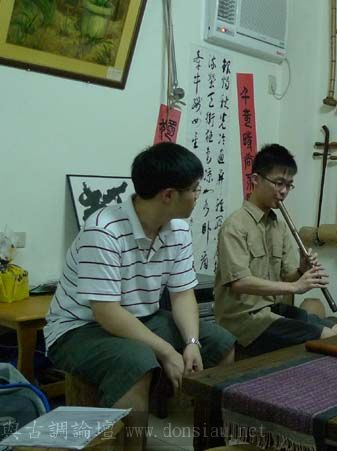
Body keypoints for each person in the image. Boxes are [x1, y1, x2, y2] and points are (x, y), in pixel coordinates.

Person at [45, 142, 236, 450]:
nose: (198, 195)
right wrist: (167, 351)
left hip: (141, 318)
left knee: (220, 343)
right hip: (79, 328)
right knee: (135, 362)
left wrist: (191, 342)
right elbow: (106, 312)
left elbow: (182, 294)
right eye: (194, 189)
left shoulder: (178, 229)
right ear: (169, 195)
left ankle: (211, 444)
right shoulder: (103, 230)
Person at [214, 143, 337, 356]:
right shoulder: (235, 226)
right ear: (255, 179)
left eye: (289, 185)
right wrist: (295, 287)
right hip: (243, 321)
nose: (283, 191)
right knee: (328, 339)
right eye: (278, 183)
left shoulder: (279, 226)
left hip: (271, 311)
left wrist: (302, 270)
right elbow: (239, 283)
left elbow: (287, 276)